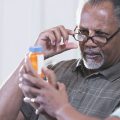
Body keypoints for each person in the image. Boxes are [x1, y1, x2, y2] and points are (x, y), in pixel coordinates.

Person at [0, 0, 120, 120]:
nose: (88, 43)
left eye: (100, 34)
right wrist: (34, 55)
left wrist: (59, 109)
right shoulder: (54, 71)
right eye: (83, 32)